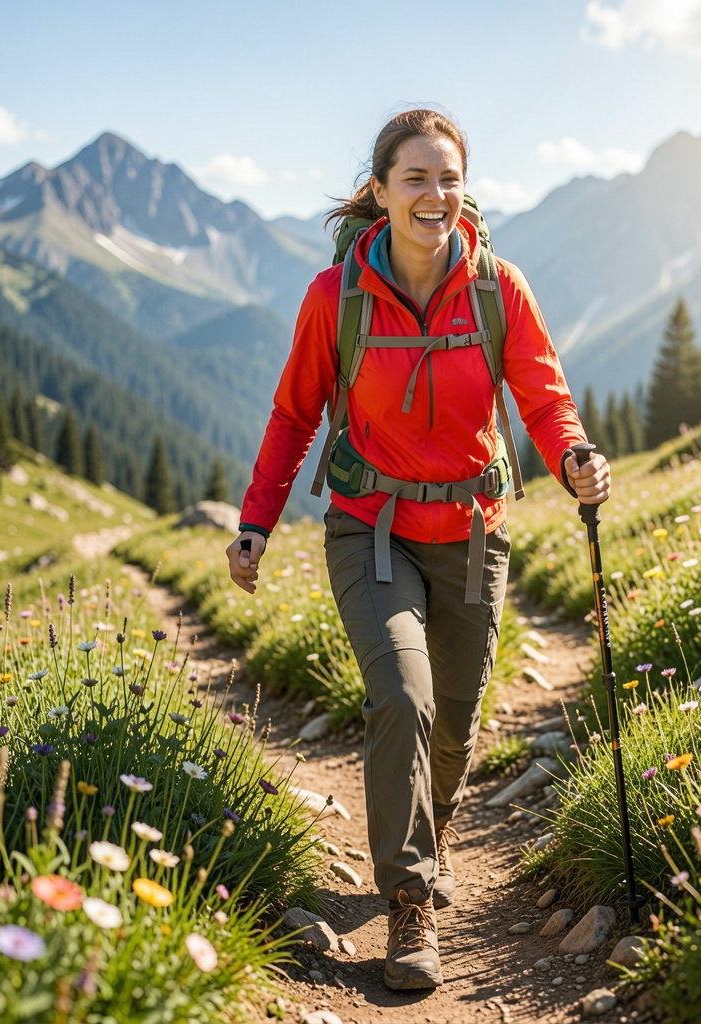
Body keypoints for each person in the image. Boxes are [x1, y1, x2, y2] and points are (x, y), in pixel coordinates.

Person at [226, 109, 609, 991]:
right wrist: (255, 522)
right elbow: (294, 415)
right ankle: (409, 899)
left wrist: (573, 457)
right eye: (416, 178)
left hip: (473, 532)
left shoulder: (498, 289)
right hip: (372, 529)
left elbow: (544, 398)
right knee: (403, 696)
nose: (436, 194)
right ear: (382, 190)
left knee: (456, 725)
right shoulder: (337, 297)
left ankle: (427, 833)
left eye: (449, 178)